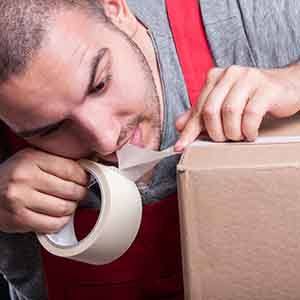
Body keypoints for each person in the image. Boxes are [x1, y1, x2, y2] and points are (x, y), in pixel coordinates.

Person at [1, 0, 300, 299]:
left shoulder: (246, 16)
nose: (107, 140)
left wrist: (292, 80)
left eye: (100, 84)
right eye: (51, 129)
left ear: (116, 10)